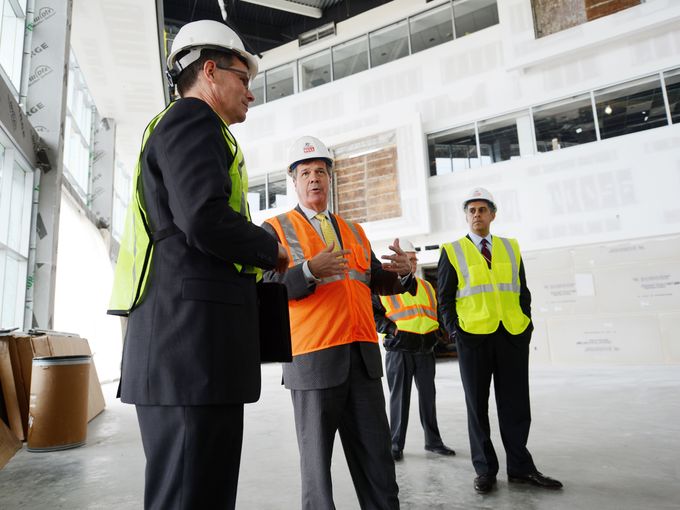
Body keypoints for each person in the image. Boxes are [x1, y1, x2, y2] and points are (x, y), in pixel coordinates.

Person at [108, 20, 289, 510]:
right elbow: (203, 219)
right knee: (191, 496)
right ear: (210, 71)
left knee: (197, 493)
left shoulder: (181, 127)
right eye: (244, 78)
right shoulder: (192, 120)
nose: (250, 93)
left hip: (188, 354)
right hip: (189, 353)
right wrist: (267, 247)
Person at [262, 135, 415, 510]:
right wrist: (309, 271)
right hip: (313, 361)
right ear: (293, 181)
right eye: (305, 172)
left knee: (378, 462)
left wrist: (405, 275)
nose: (314, 178)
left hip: (361, 360)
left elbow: (373, 279)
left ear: (330, 179)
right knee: (317, 473)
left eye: (320, 171)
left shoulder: (354, 230)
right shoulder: (274, 229)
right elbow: (266, 288)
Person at [437, 187, 562, 494]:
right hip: (473, 338)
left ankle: (520, 468)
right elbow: (445, 298)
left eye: (482, 209)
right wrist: (455, 331)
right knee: (476, 408)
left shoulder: (511, 247)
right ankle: (485, 470)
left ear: (493, 214)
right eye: (471, 210)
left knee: (516, 406)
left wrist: (526, 324)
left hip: (512, 336)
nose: (476, 215)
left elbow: (522, 290)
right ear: (466, 217)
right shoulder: (452, 250)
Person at [372, 239, 455, 462]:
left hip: (426, 349)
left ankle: (433, 442)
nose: (414, 263)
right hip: (399, 349)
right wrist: (392, 329)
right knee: (400, 399)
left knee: (428, 397)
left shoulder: (426, 286)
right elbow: (373, 312)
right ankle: (395, 445)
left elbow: (432, 312)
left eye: (415, 259)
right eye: (410, 259)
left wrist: (439, 333)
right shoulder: (384, 286)